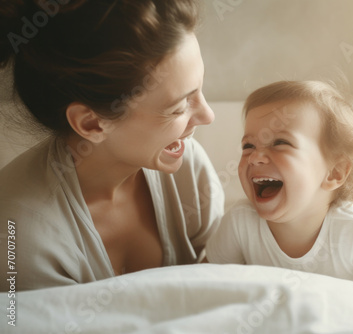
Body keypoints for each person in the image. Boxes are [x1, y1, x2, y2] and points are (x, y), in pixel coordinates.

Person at [0, 0, 224, 291]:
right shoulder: (21, 237)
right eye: (179, 107)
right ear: (92, 124)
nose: (208, 115)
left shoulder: (186, 169)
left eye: (199, 90)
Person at [206, 80, 353, 286]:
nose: (255, 157)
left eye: (280, 142)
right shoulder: (240, 224)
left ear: (334, 173)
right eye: (248, 146)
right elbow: (202, 280)